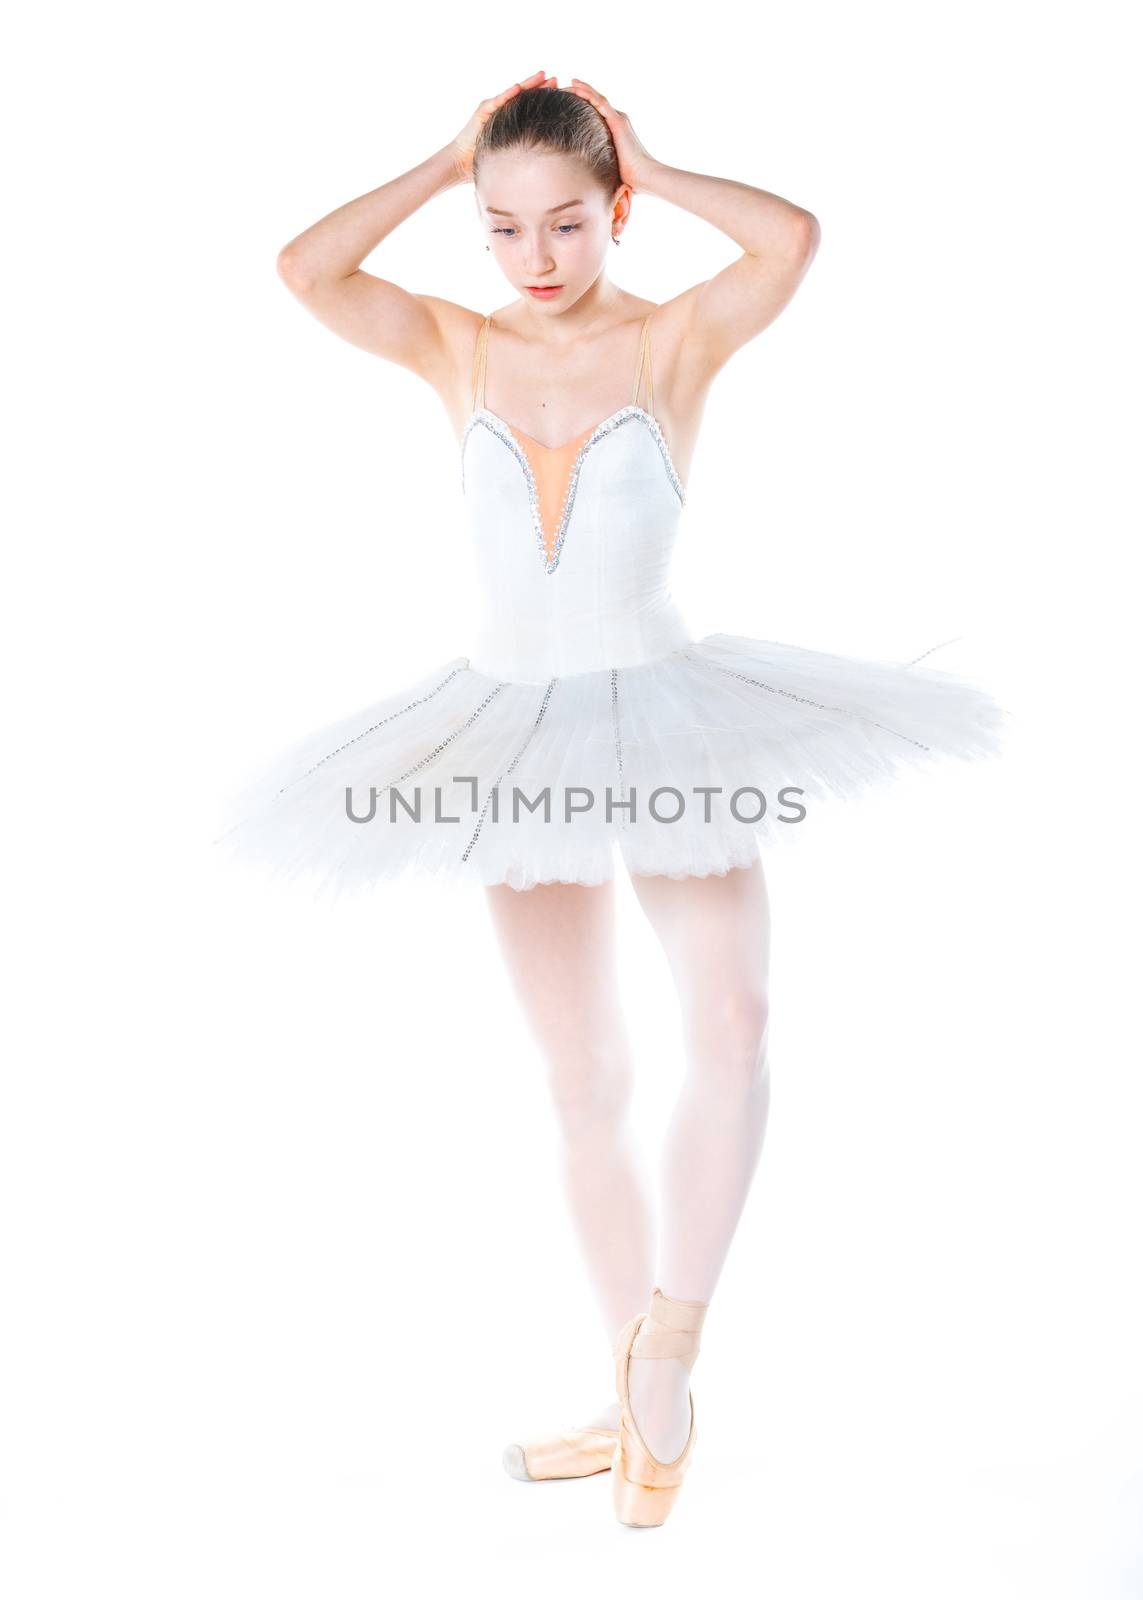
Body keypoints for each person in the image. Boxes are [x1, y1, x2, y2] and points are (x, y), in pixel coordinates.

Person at [216, 72, 1008, 1527]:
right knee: (582, 1076)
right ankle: (625, 1387)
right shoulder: (458, 347)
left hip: (667, 715)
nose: (536, 258)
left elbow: (789, 242)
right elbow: (305, 269)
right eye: (503, 227)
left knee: (736, 1025)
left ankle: (669, 1359)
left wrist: (655, 156)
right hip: (508, 735)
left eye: (568, 223)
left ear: (613, 212)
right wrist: (445, 156)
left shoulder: (671, 339)